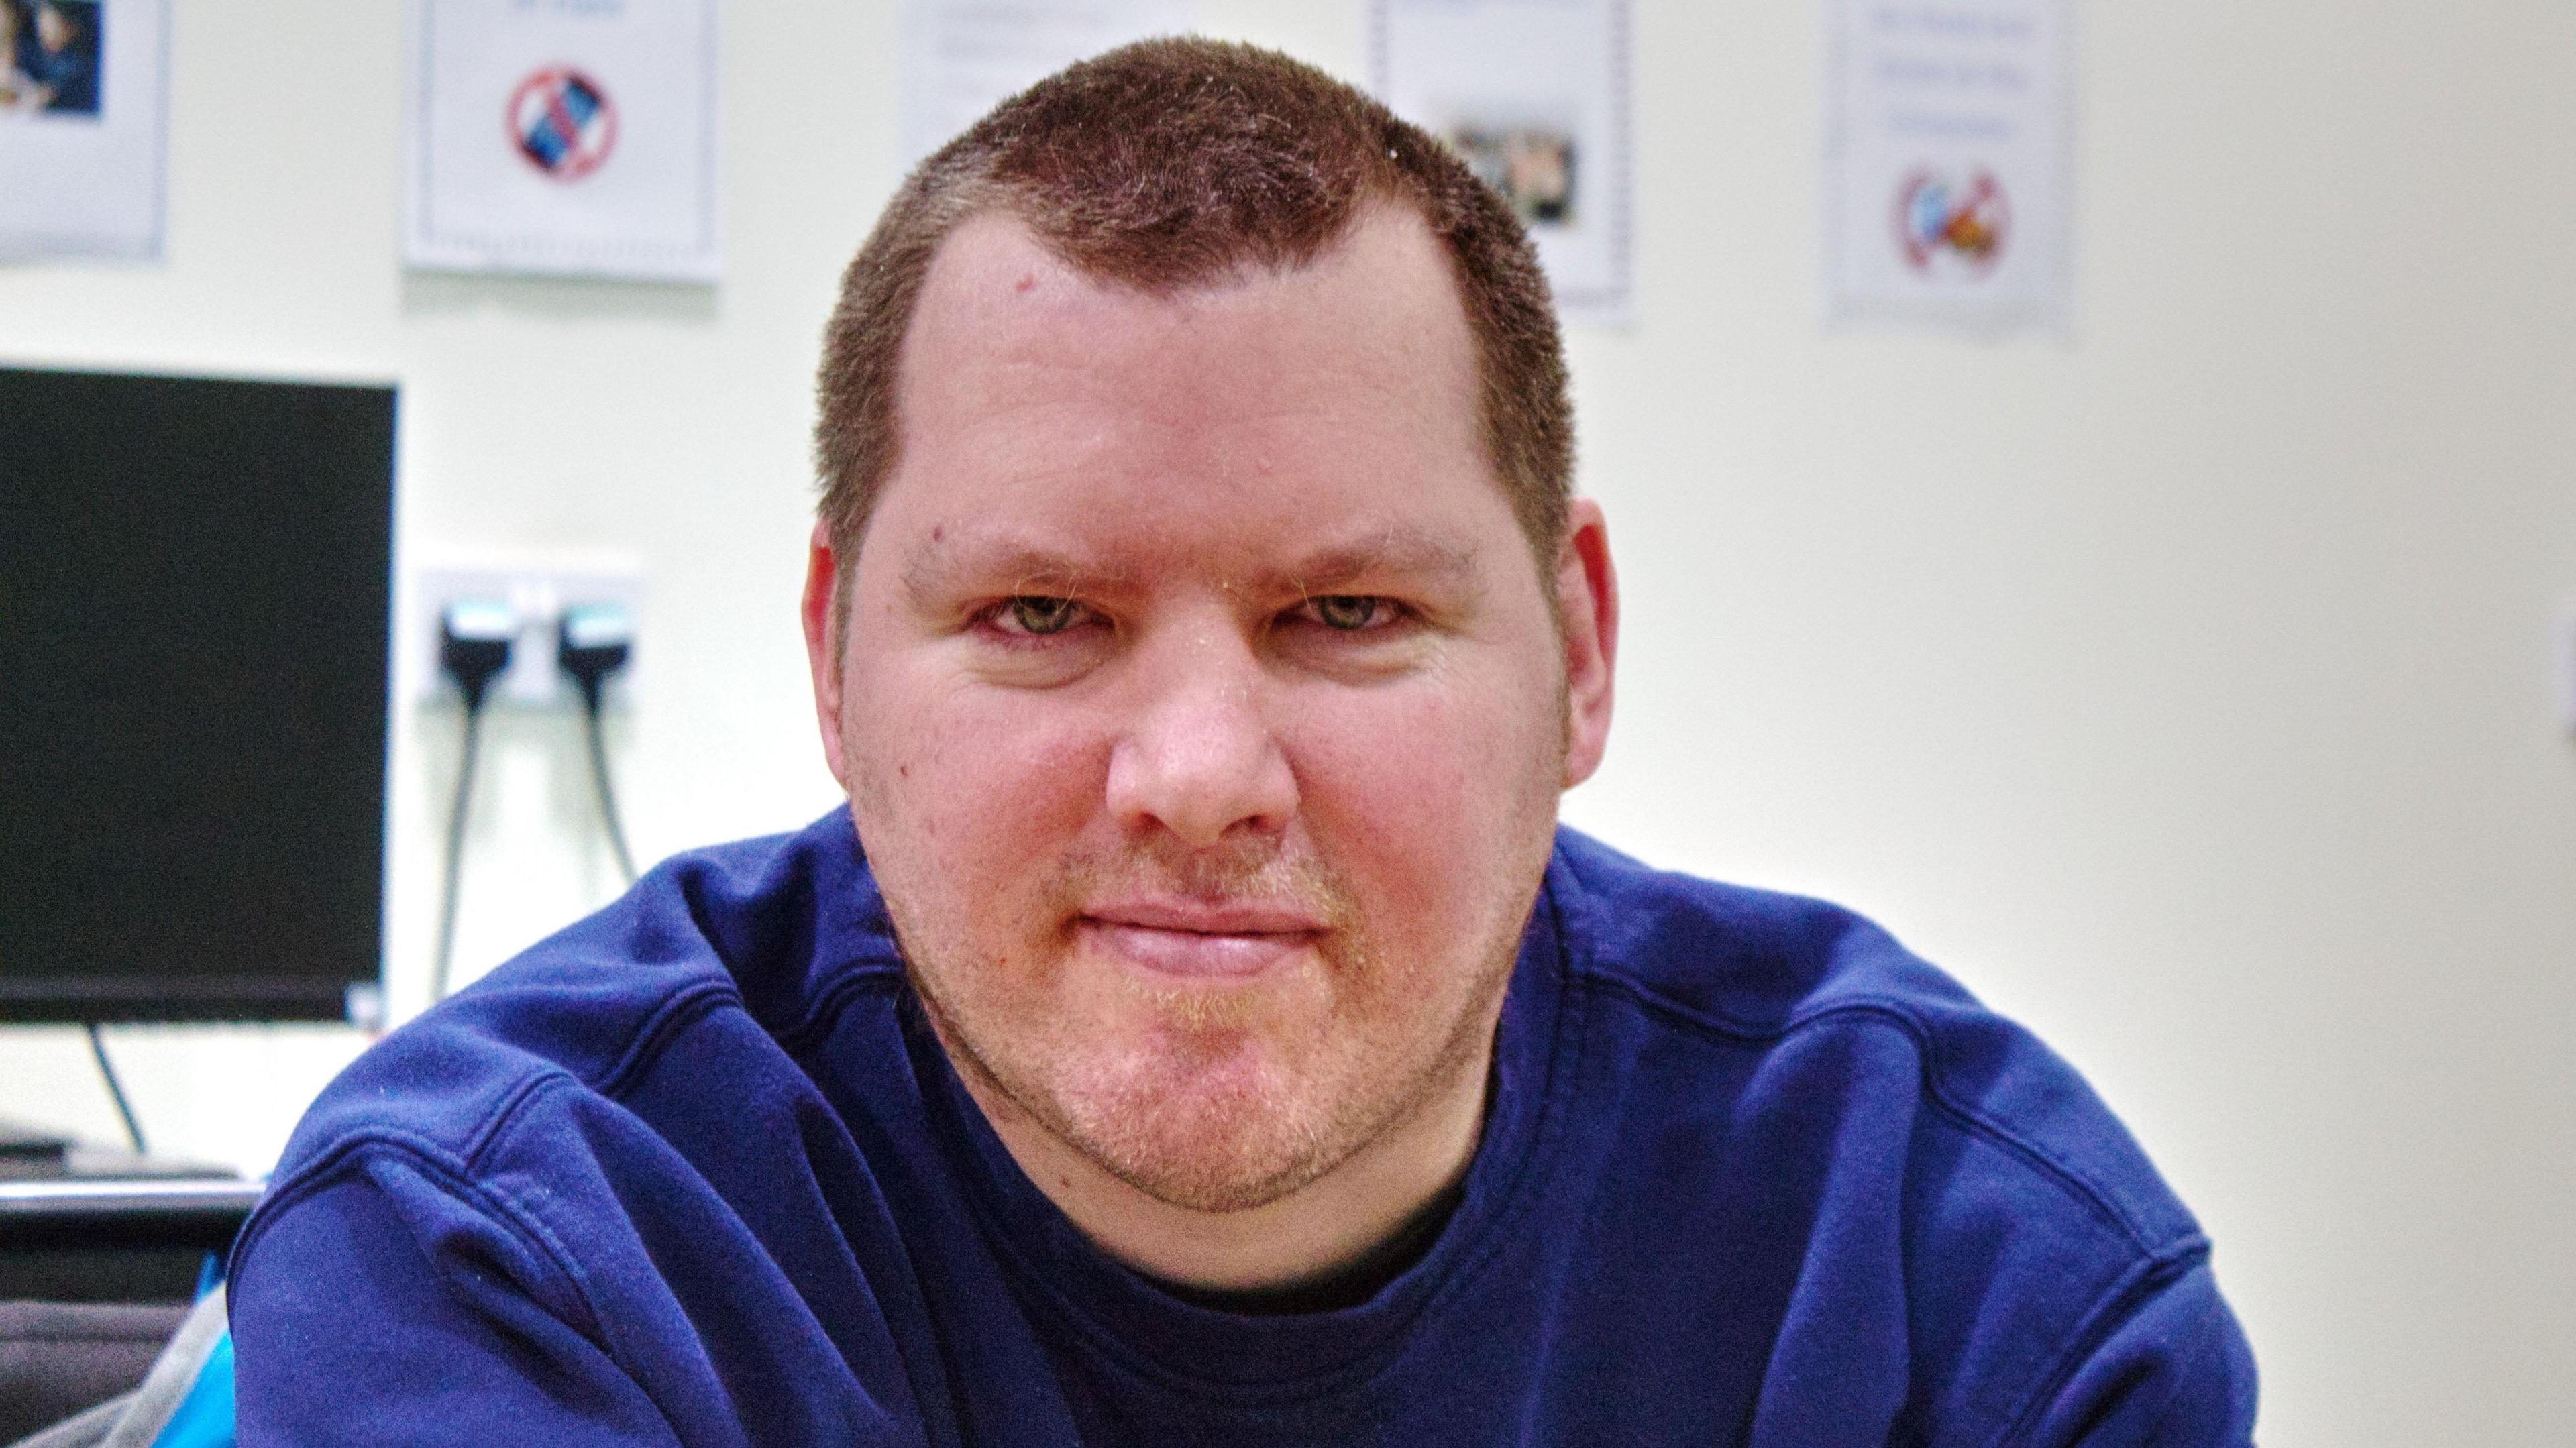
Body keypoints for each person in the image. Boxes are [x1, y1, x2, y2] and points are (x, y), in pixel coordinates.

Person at [229, 38, 2257, 1445]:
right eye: (1043, 615)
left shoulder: (1951, 1286)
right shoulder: (517, 1254)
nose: (1198, 770)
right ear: (834, 667)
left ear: (1579, 649)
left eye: (1346, 616)